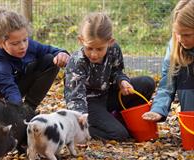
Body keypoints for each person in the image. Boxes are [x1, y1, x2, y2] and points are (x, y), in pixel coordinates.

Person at [64, 12, 155, 141]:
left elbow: (117, 71)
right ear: (81, 40)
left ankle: (119, 118)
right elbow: (75, 99)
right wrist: (81, 120)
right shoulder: (77, 62)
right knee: (120, 134)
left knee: (147, 82)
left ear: (110, 42)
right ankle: (79, 130)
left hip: (107, 95)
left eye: (100, 49)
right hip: (89, 104)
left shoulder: (114, 50)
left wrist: (122, 81)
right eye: (89, 48)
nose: (94, 54)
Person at [0, 10, 70, 111]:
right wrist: (19, 113)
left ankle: (29, 108)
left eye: (25, 40)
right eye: (15, 43)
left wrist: (62, 54)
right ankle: (21, 113)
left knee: (50, 60)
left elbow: (49, 50)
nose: (22, 46)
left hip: (15, 82)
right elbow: (10, 89)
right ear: (0, 43)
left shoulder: (27, 44)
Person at [142, 0, 194, 122]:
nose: (181, 39)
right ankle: (190, 120)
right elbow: (167, 84)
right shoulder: (175, 47)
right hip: (191, 122)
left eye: (187, 35)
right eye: (177, 34)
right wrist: (158, 109)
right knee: (184, 73)